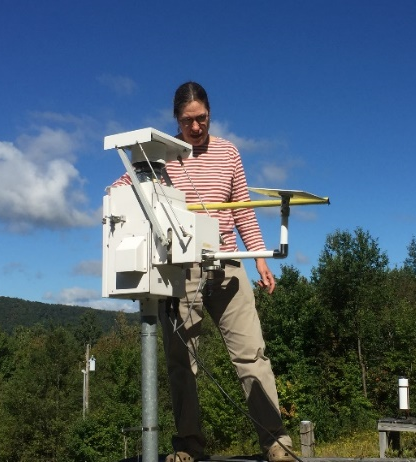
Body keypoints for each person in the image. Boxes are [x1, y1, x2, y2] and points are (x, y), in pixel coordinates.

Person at [114, 82, 295, 462]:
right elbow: (127, 180)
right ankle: (190, 446)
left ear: (210, 114)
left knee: (252, 355)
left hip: (228, 267)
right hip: (181, 270)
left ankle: (276, 442)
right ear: (176, 120)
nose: (196, 128)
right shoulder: (161, 154)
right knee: (182, 364)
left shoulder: (228, 152)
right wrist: (116, 191)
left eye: (202, 119)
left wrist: (259, 260)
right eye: (187, 121)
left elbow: (242, 209)